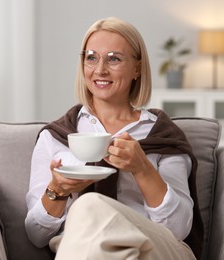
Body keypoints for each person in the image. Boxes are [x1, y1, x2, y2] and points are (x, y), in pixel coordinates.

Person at [25, 17, 203, 260]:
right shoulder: (54, 136)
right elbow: (37, 235)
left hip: (157, 249)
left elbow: (178, 230)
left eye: (114, 58)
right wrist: (58, 189)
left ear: (137, 68)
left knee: (88, 207)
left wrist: (142, 169)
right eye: (91, 57)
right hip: (93, 251)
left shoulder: (162, 135)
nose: (100, 70)